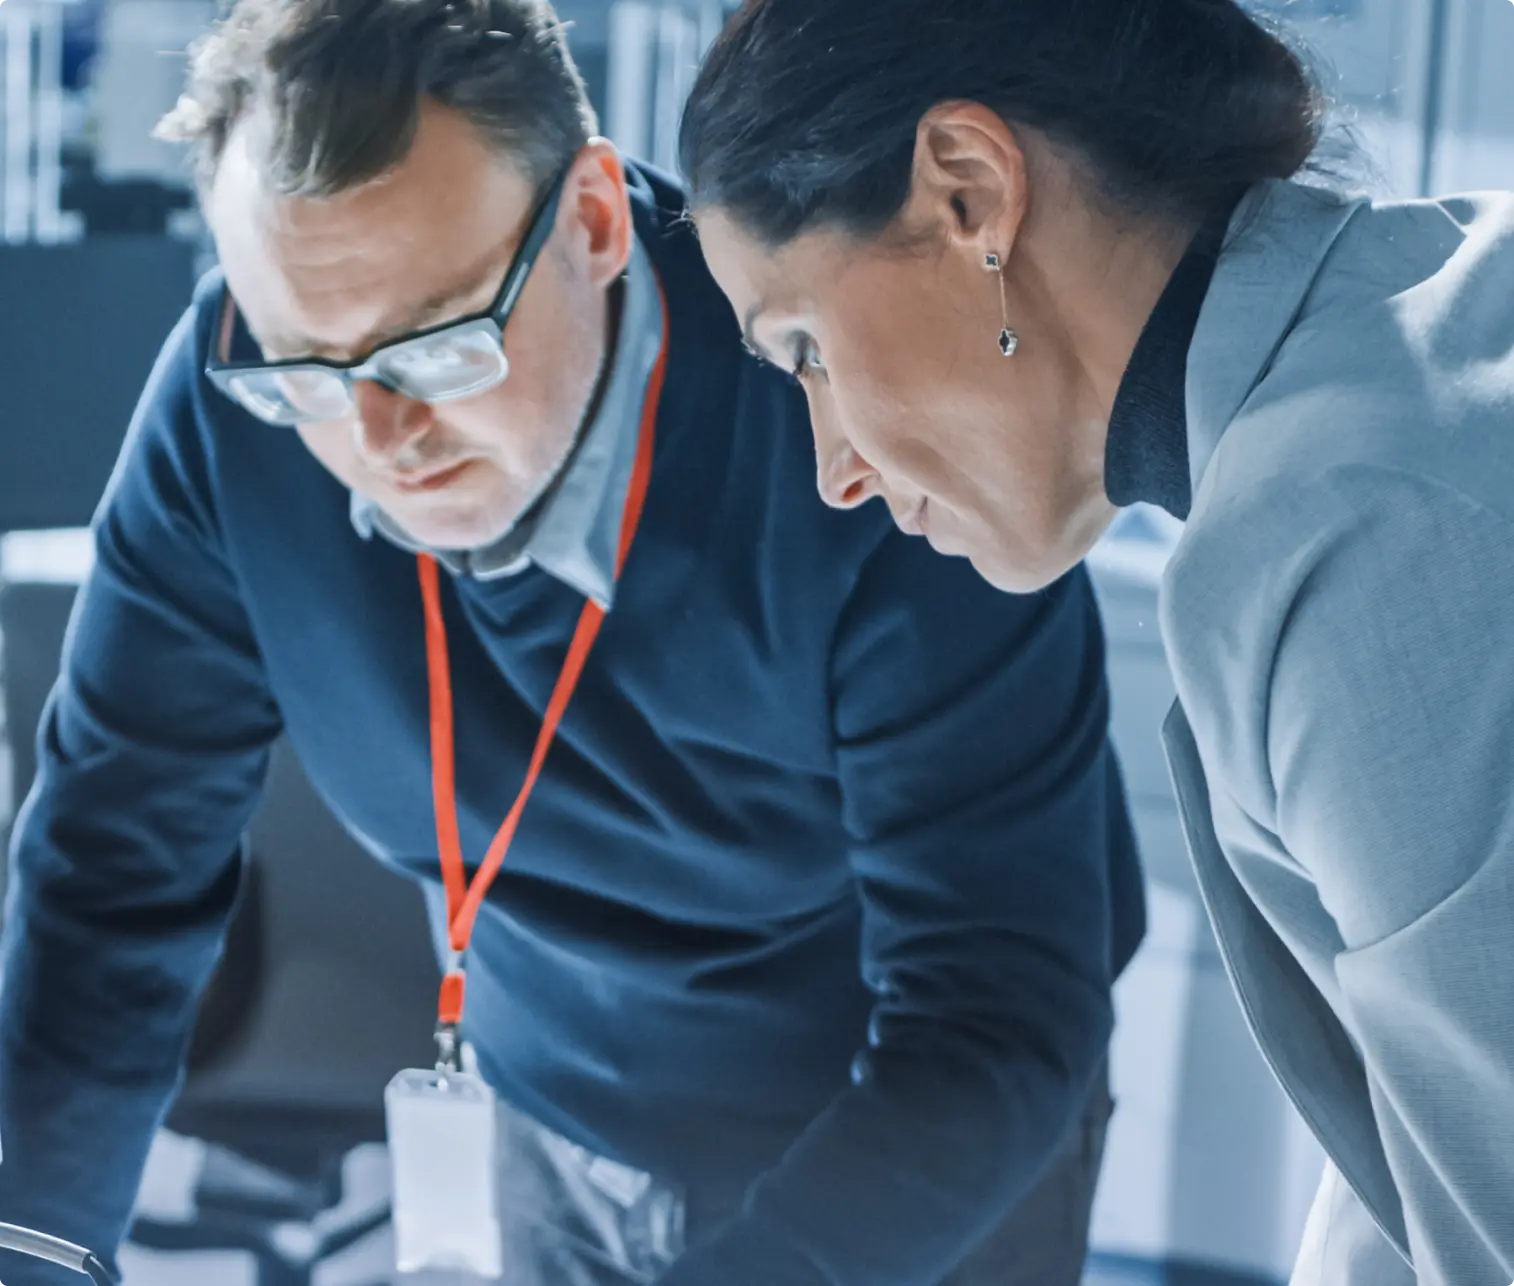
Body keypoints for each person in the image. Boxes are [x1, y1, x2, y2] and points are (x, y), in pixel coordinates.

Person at [0, 1, 1146, 1283]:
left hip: (898, 1154)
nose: (379, 442)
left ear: (594, 223)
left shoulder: (857, 423)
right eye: (308, 370)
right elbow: (111, 873)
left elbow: (994, 1008)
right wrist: (30, 1238)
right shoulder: (234, 403)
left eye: (435, 345)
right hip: (537, 1113)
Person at [679, 1, 1514, 1284]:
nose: (831, 469)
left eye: (804, 351)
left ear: (968, 192)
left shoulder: (1338, 529)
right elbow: (1431, 1134)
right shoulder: (1430, 324)